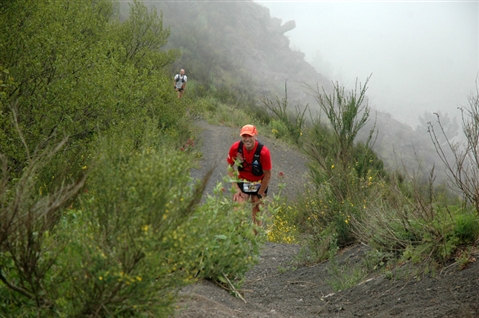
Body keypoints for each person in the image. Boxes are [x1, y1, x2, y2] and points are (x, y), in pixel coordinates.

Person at [227, 124, 272, 232]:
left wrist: (260, 194)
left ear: (255, 136)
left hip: (259, 184)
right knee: (237, 212)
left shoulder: (264, 152)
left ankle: (255, 240)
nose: (247, 139)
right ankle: (239, 238)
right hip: (243, 181)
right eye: (244, 136)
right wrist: (236, 187)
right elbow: (230, 167)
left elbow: (268, 175)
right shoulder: (235, 148)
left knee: (256, 216)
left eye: (249, 136)